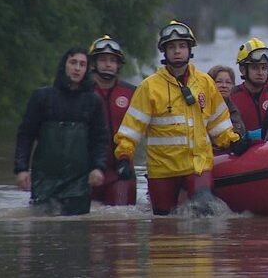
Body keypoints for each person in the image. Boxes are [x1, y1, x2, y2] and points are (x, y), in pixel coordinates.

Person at [113, 20, 249, 215]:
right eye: (172, 47)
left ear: (189, 50)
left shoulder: (205, 83)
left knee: (204, 213)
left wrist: (233, 141)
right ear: (164, 51)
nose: (177, 51)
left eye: (182, 46)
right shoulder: (149, 87)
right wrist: (124, 157)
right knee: (163, 226)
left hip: (197, 166)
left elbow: (219, 123)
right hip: (162, 170)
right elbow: (132, 128)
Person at [14, 47, 108, 216]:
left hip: (79, 180)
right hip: (45, 177)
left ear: (87, 69)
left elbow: (100, 139)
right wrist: (21, 168)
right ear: (64, 66)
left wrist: (98, 167)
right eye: (73, 63)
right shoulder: (42, 97)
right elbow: (26, 135)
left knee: (78, 232)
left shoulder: (93, 101)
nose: (77, 68)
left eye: (82, 64)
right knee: (42, 230)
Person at [88, 35, 137, 206]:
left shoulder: (133, 93)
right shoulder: (81, 93)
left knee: (121, 224)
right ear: (94, 63)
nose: (108, 64)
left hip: (121, 171)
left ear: (118, 65)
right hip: (88, 171)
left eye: (112, 60)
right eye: (103, 60)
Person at [231, 38, 268, 141]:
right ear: (242, 69)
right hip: (242, 154)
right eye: (255, 67)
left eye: (264, 68)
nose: (261, 73)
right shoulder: (230, 98)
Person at [207, 65, 246, 140]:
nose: (224, 86)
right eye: (219, 82)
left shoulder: (233, 109)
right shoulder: (203, 107)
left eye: (228, 82)